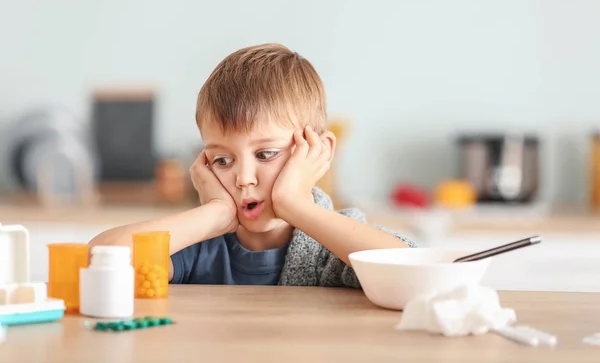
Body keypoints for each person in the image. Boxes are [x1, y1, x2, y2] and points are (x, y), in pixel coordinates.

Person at [89, 43, 417, 288]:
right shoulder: (197, 245)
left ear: (317, 150)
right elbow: (96, 262)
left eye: (265, 154)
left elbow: (414, 271)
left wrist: (296, 205)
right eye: (222, 160)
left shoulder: (335, 243)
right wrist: (216, 213)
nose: (243, 179)